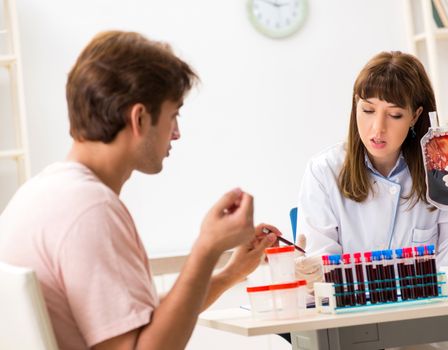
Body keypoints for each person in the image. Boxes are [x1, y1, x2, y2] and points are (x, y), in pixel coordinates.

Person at [0, 31, 281, 350]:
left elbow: (139, 322)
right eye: (173, 116)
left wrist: (230, 273)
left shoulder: (40, 193)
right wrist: (206, 249)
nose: (176, 134)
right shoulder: (91, 209)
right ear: (140, 118)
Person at [293, 51, 448, 348]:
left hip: (423, 337)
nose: (377, 129)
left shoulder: (439, 171)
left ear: (416, 115)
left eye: (394, 115)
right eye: (367, 110)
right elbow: (325, 277)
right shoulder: (324, 171)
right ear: (355, 105)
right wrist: (312, 273)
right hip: (351, 336)